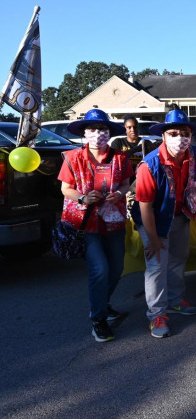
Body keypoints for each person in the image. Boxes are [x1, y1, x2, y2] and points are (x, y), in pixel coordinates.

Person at [131, 109, 196, 338]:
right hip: (154, 219)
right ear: (164, 136)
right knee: (157, 266)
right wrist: (153, 239)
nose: (180, 138)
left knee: (178, 258)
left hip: (180, 215)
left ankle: (175, 300)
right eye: (173, 133)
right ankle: (157, 314)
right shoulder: (150, 164)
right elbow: (145, 206)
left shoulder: (195, 154)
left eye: (184, 133)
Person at [59, 109, 133, 342]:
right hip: (86, 223)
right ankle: (98, 318)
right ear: (84, 133)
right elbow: (65, 189)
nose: (97, 133)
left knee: (117, 268)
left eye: (102, 129)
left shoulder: (120, 157)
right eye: (92, 129)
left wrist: (119, 193)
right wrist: (82, 198)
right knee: (99, 269)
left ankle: (103, 303)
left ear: (109, 132)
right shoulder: (72, 158)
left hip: (114, 221)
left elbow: (126, 183)